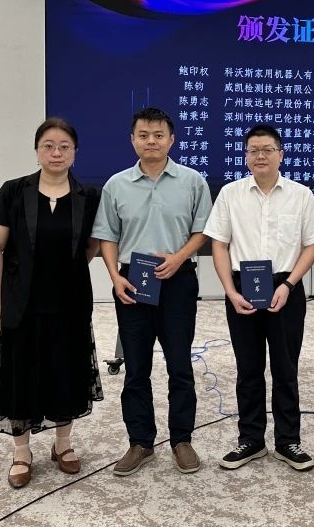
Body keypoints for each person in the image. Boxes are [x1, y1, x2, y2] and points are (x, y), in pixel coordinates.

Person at [0, 118, 104, 488]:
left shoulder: (88, 195)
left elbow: (92, 246)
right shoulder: (13, 191)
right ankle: (21, 452)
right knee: (20, 373)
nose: (56, 153)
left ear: (75, 153)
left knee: (65, 371)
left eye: (64, 146)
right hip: (22, 301)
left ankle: (63, 445)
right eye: (48, 146)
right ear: (37, 151)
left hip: (69, 301)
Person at [92, 107, 212, 476]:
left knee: (180, 365)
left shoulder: (192, 181)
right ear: (133, 140)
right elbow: (107, 236)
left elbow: (203, 231)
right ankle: (140, 442)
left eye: (159, 135)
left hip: (178, 279)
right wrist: (114, 278)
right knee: (136, 367)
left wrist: (179, 257)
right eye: (143, 135)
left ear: (171, 139)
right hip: (132, 281)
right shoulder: (116, 185)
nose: (151, 141)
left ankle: (182, 440)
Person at [204, 125, 314, 471]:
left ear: (280, 154)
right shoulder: (230, 194)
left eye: (267, 149)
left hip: (286, 287)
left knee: (286, 368)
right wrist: (230, 291)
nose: (260, 156)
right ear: (246, 156)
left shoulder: (301, 195)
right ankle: (251, 440)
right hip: (242, 287)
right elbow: (219, 245)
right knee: (248, 368)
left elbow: (312, 244)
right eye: (253, 150)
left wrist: (289, 284)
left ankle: (288, 441)